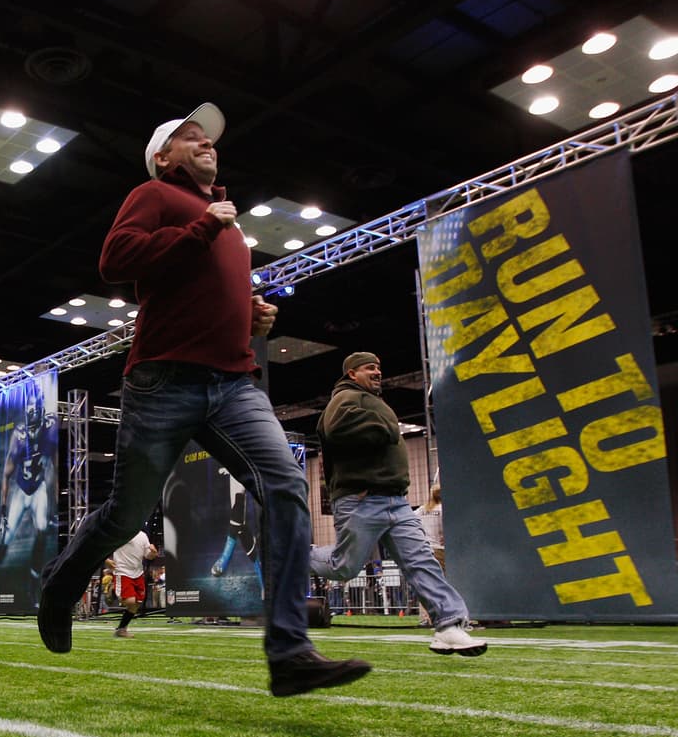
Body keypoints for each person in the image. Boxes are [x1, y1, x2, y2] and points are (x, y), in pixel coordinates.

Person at [37, 102, 371, 697]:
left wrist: (250, 314)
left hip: (233, 382)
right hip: (163, 380)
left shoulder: (228, 224)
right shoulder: (156, 195)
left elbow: (199, 290)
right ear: (163, 156)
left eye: (209, 137)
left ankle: (290, 651)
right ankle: (60, 587)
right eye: (190, 137)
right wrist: (203, 227)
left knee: (285, 485)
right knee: (125, 514)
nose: (206, 142)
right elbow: (116, 260)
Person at [310, 352, 486, 657]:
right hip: (362, 498)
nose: (377, 372)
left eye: (379, 367)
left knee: (422, 561)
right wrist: (388, 426)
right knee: (344, 567)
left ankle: (448, 625)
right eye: (369, 368)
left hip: (395, 500)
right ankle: (294, 553)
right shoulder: (345, 397)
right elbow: (335, 428)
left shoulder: (369, 399)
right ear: (352, 373)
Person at [0, 386, 59, 600]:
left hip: (39, 487)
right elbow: (6, 474)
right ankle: (2, 551)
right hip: (21, 489)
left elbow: (54, 468)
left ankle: (34, 579)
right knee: (8, 534)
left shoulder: (49, 428)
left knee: (42, 529)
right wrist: (3, 507)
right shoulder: (19, 435)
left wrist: (54, 501)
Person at [110, 531, 157, 639]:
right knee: (130, 601)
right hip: (122, 571)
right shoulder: (121, 531)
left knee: (136, 604)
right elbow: (105, 547)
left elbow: (148, 556)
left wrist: (153, 553)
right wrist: (106, 560)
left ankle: (121, 629)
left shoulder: (143, 535)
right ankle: (113, 591)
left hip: (138, 573)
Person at [416, 486, 445, 626]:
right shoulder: (443, 510)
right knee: (449, 583)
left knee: (426, 584)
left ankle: (425, 617)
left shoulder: (420, 510)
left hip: (424, 549)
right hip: (440, 550)